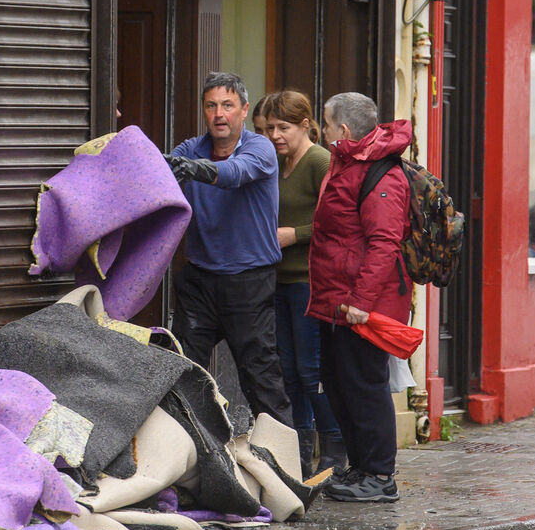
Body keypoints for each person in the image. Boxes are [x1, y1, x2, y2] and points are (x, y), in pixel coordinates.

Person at [166, 71, 292, 426]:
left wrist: (193, 170)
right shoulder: (189, 149)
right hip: (200, 280)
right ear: (203, 111)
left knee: (260, 375)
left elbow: (235, 173)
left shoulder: (260, 148)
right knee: (183, 371)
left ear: (243, 110)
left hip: (248, 283)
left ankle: (286, 466)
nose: (219, 114)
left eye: (227, 105)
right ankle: (188, 458)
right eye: (211, 106)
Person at [307, 92, 412, 502]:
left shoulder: (381, 174)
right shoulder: (348, 162)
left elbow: (384, 243)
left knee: (366, 386)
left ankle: (381, 476)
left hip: (362, 304)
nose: (324, 131)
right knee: (339, 383)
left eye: (328, 124)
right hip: (337, 298)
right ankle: (361, 468)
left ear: (344, 130)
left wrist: (361, 303)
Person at [260, 89, 343, 479]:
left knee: (311, 371)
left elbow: (341, 220)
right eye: (270, 128)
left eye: (284, 127)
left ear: (306, 125)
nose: (276, 135)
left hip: (311, 283)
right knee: (289, 371)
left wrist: (295, 234)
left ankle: (334, 451)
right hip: (281, 282)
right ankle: (302, 451)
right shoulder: (279, 164)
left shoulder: (320, 161)